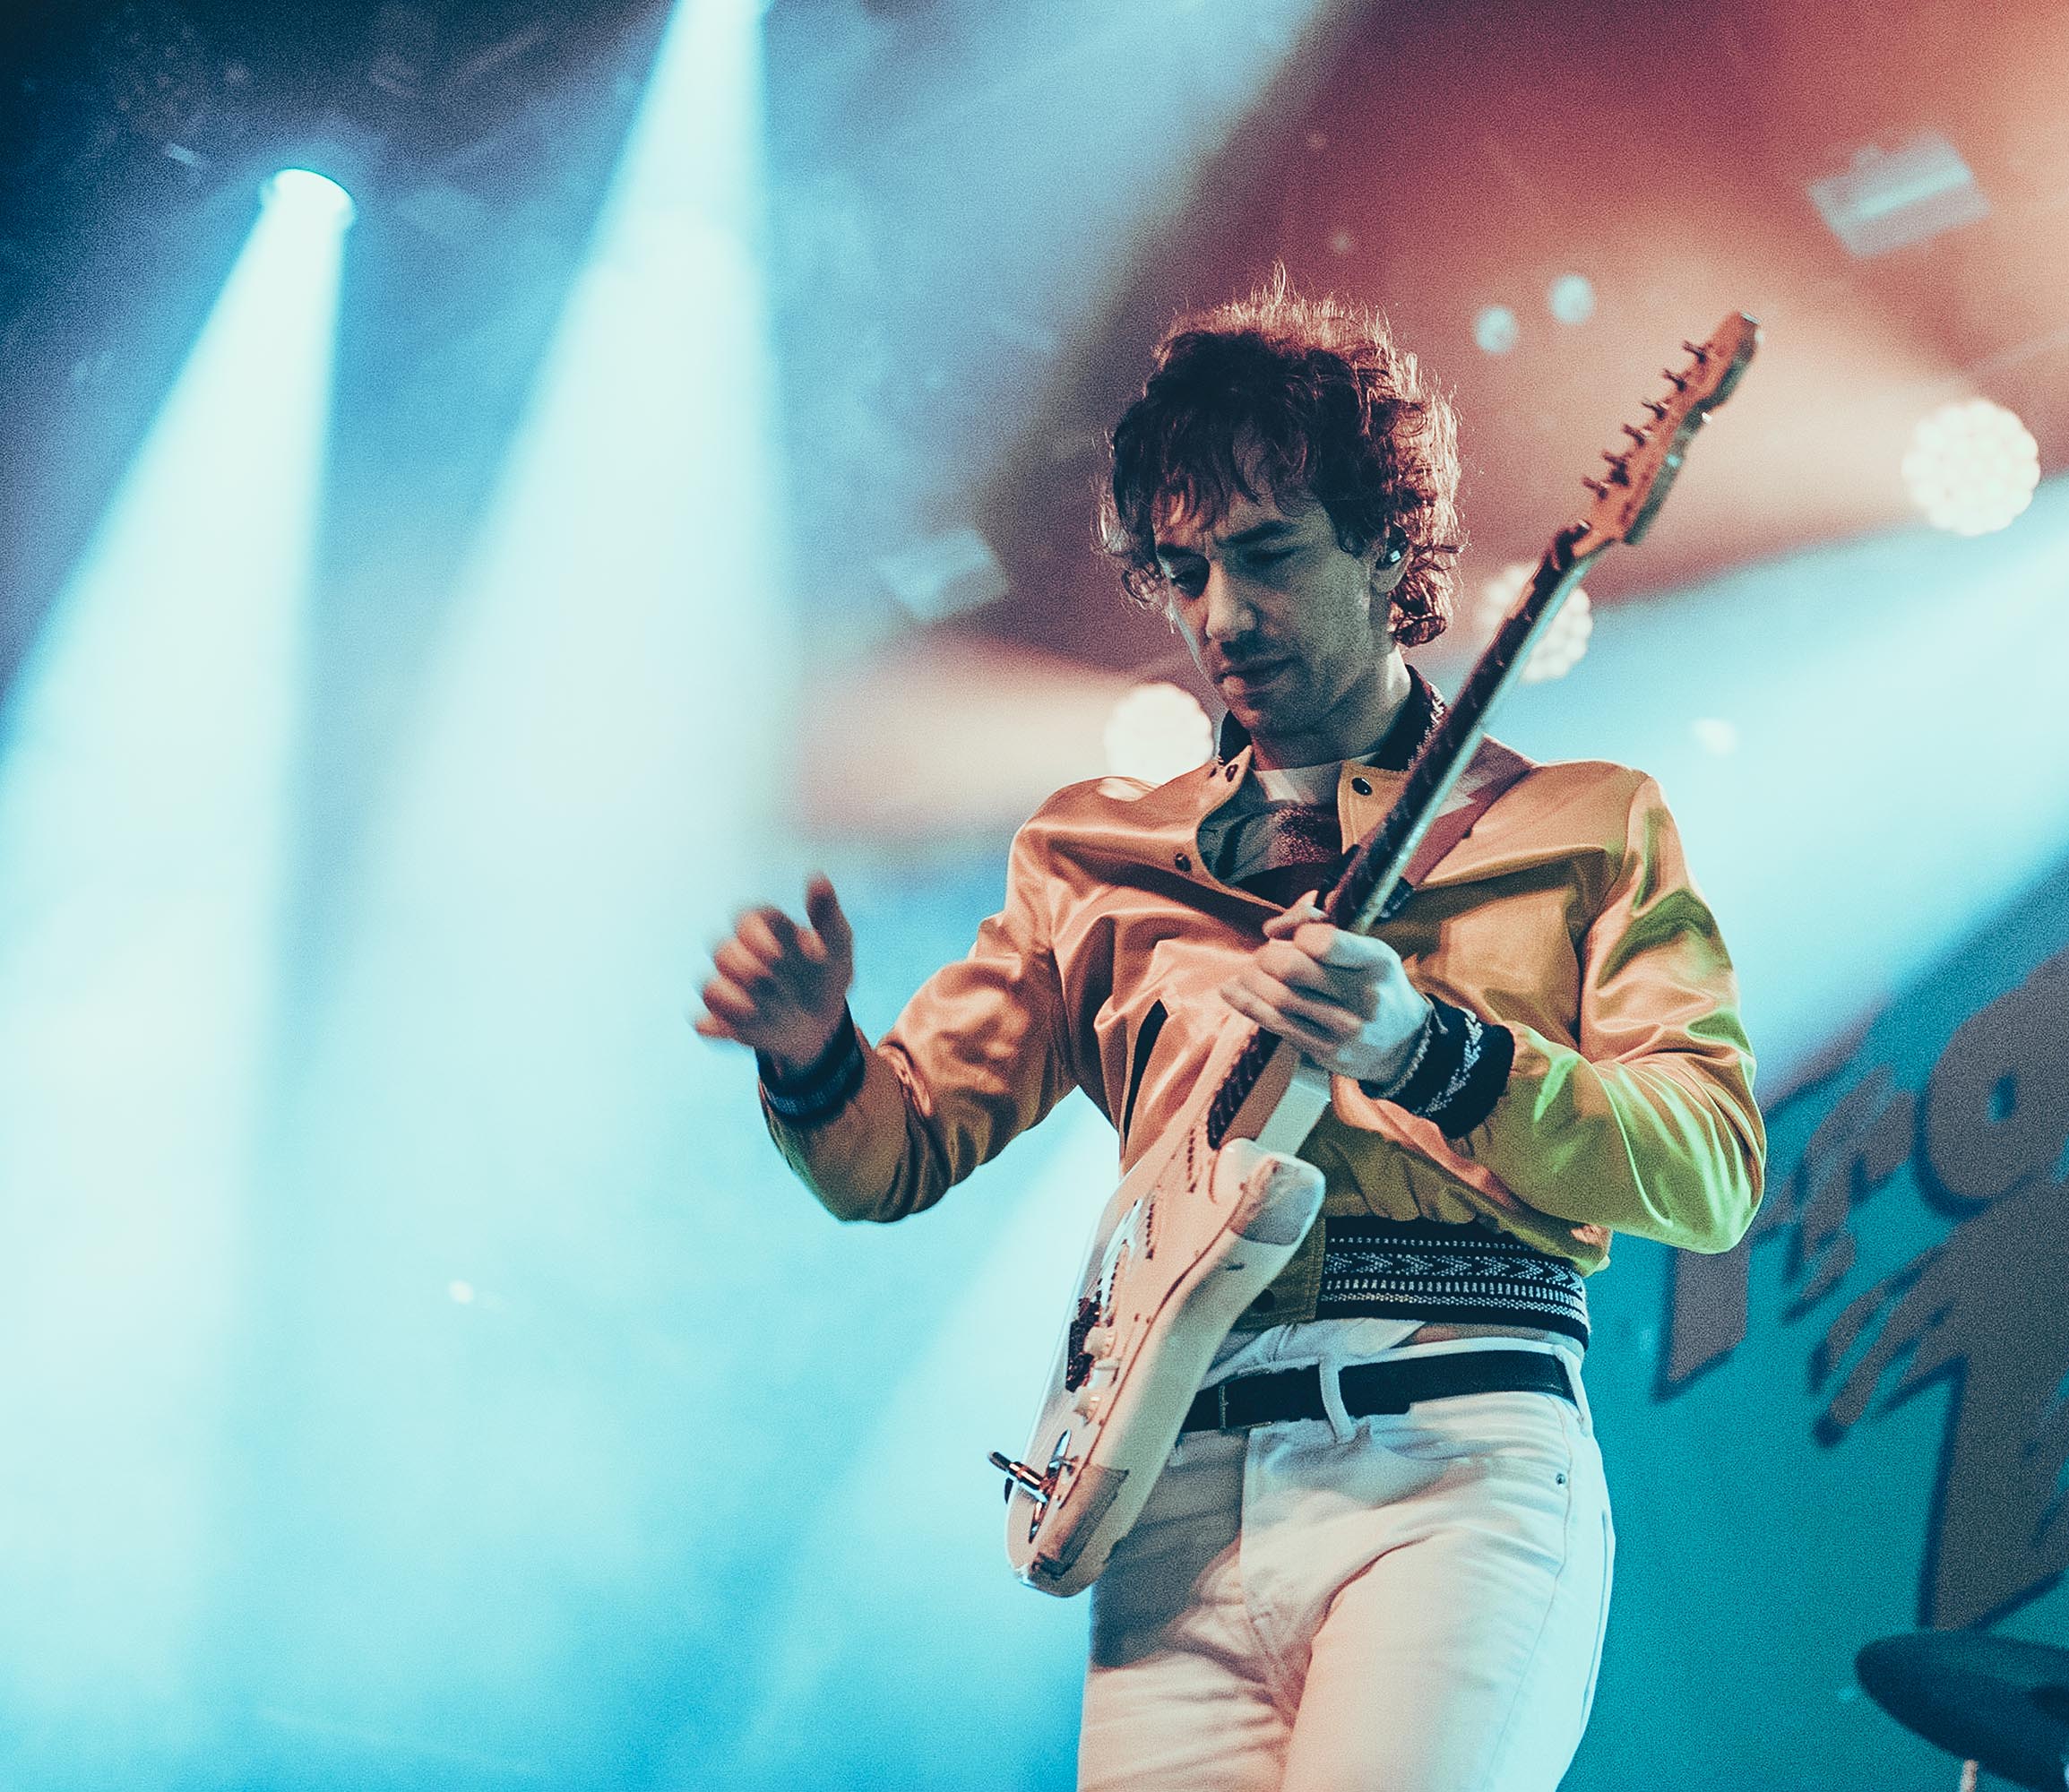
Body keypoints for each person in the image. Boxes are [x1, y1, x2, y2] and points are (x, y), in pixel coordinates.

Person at [696, 283, 1764, 1792]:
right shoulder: (1089, 856)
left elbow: (1711, 1169)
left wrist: (1432, 1054)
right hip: (1172, 1492)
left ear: (1389, 549)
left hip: (1453, 1465)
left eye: (1267, 557)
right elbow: (891, 1153)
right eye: (1185, 571)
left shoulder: (1584, 824)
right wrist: (811, 1057)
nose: (1222, 619)